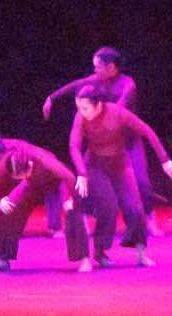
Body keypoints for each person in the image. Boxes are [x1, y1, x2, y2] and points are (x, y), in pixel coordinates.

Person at [42, 47, 162, 234]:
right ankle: (84, 219)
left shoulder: (128, 84)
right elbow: (74, 85)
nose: (95, 70)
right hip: (104, 141)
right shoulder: (96, 80)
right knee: (86, 177)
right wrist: (51, 98)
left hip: (129, 142)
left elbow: (120, 107)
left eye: (98, 67)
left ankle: (149, 220)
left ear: (111, 67)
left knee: (141, 181)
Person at [69, 84, 172, 271]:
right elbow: (74, 146)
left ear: (98, 104)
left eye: (85, 108)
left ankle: (141, 254)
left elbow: (147, 131)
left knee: (135, 208)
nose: (81, 112)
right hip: (95, 166)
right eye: (78, 107)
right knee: (108, 207)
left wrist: (165, 159)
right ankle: (100, 252)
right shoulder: (80, 117)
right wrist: (81, 173)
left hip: (120, 165)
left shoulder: (117, 113)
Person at [0, 136, 84, 272]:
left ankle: (84, 258)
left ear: (30, 166)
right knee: (8, 208)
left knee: (72, 211)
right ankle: (3, 259)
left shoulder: (43, 159)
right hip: (32, 182)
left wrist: (72, 200)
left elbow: (69, 177)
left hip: (56, 180)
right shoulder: (7, 162)